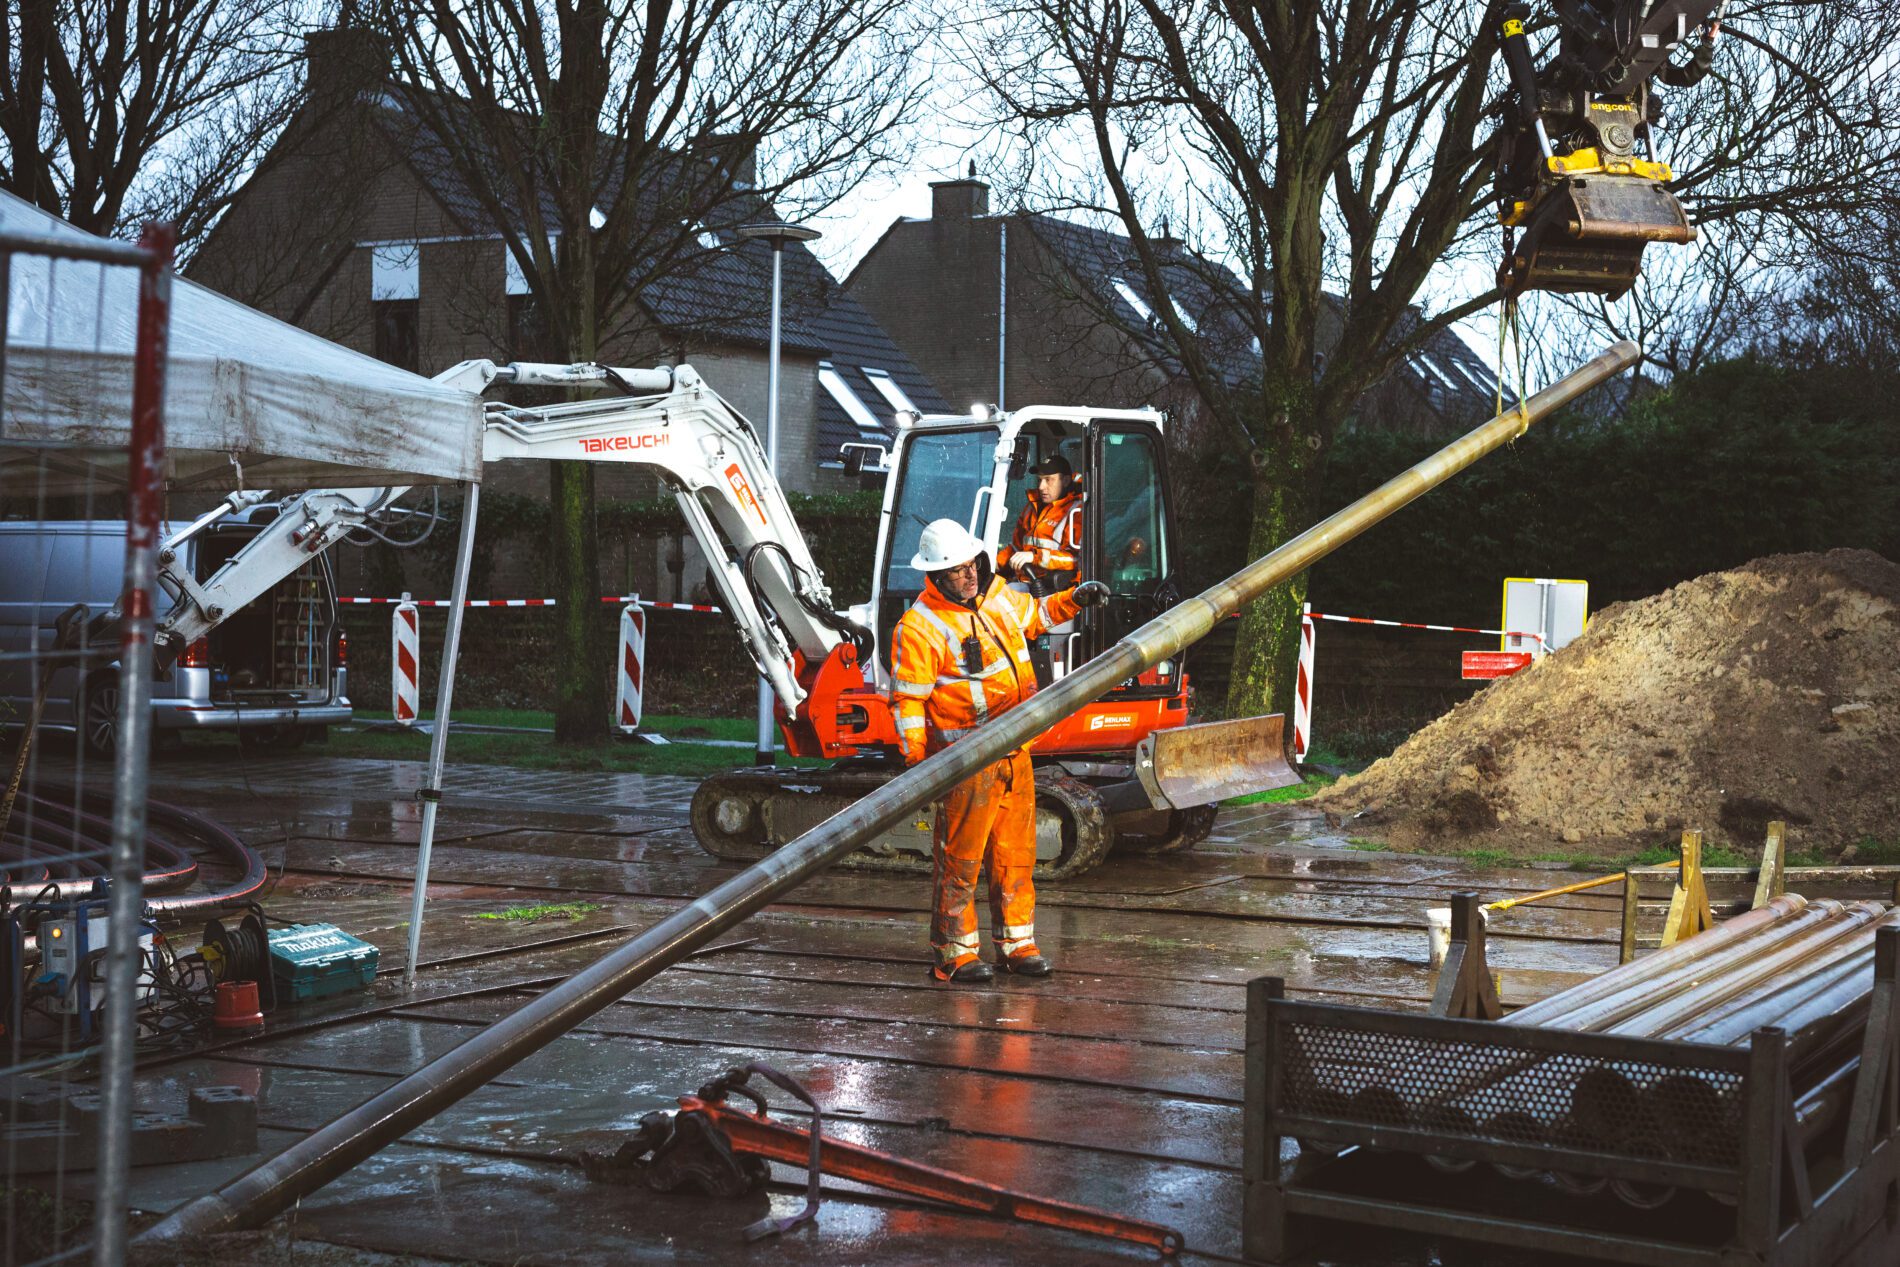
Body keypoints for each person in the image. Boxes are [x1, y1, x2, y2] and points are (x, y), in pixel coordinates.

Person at [892, 519, 1108, 983]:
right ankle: (955, 954)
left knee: (1015, 856)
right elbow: (908, 699)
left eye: (973, 565)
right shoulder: (919, 626)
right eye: (957, 570)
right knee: (962, 860)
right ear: (936, 576)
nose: (969, 576)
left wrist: (1076, 598)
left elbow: (1038, 615)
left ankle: (1017, 945)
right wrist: (916, 761)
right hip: (966, 760)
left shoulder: (1001, 597)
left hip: (1015, 751)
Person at [1004, 454, 1083, 593]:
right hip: (1025, 582)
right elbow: (1015, 548)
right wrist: (991, 563)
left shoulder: (1076, 512)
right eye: (1039, 480)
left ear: (1065, 480)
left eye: (1048, 480)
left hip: (1054, 590)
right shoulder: (1031, 507)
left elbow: (1075, 560)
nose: (1041, 487)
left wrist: (1034, 557)